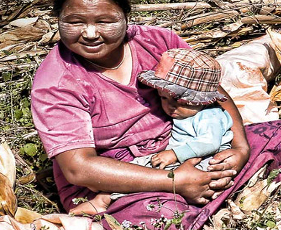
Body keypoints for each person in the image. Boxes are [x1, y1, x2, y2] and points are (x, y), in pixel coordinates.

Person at [31, 0, 281, 230]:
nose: (90, 33)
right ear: (58, 19)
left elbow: (213, 92)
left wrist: (239, 148)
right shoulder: (56, 83)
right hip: (116, 177)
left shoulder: (158, 43)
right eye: (74, 21)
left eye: (105, 21)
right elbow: (80, 169)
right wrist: (174, 180)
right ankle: (201, 198)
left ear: (126, 17)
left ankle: (202, 197)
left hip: (187, 146)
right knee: (165, 215)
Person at [70, 48, 235, 215]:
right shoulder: (190, 112)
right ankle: (102, 187)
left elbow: (210, 142)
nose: (170, 106)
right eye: (163, 98)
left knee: (159, 179)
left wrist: (175, 154)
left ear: (203, 100)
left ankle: (104, 199)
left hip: (202, 159)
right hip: (177, 155)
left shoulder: (209, 116)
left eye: (179, 100)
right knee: (138, 168)